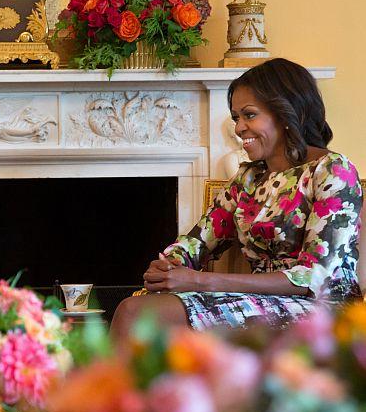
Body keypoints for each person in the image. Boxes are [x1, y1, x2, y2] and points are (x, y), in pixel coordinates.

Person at [111, 58, 363, 339]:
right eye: (236, 117)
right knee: (134, 308)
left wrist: (200, 281)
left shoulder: (333, 171)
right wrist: (168, 266)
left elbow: (313, 277)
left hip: (321, 309)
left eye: (249, 115)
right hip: (260, 300)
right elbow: (197, 242)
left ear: (286, 112)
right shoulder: (248, 179)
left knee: (138, 313)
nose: (239, 127)